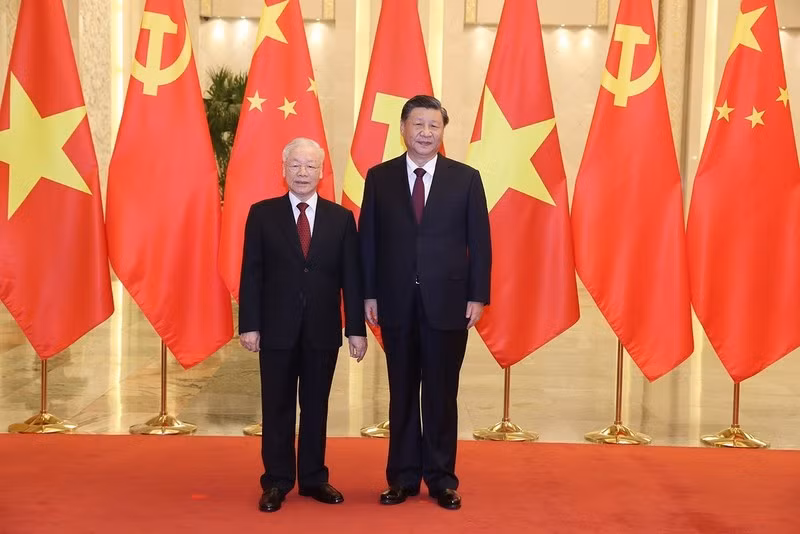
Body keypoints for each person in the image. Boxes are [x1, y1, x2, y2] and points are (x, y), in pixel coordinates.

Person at [359, 95, 491, 510]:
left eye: (434, 126)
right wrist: (369, 292)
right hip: (395, 302)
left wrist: (478, 295)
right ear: (403, 129)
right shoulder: (379, 178)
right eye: (418, 124)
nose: (425, 133)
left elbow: (480, 244)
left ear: (442, 131)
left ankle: (440, 478)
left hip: (448, 303)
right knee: (401, 392)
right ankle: (401, 478)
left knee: (440, 392)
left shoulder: (466, 179)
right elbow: (369, 242)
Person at [239, 137, 367, 513]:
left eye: (310, 166)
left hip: (322, 330)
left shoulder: (341, 219)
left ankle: (314, 478)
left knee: (316, 406)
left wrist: (355, 329)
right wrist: (250, 324)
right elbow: (252, 273)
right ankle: (277, 481)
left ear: (322, 172)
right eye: (295, 165)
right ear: (283, 170)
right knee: (276, 407)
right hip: (276, 329)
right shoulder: (262, 214)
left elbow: (352, 279)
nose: (302, 172)